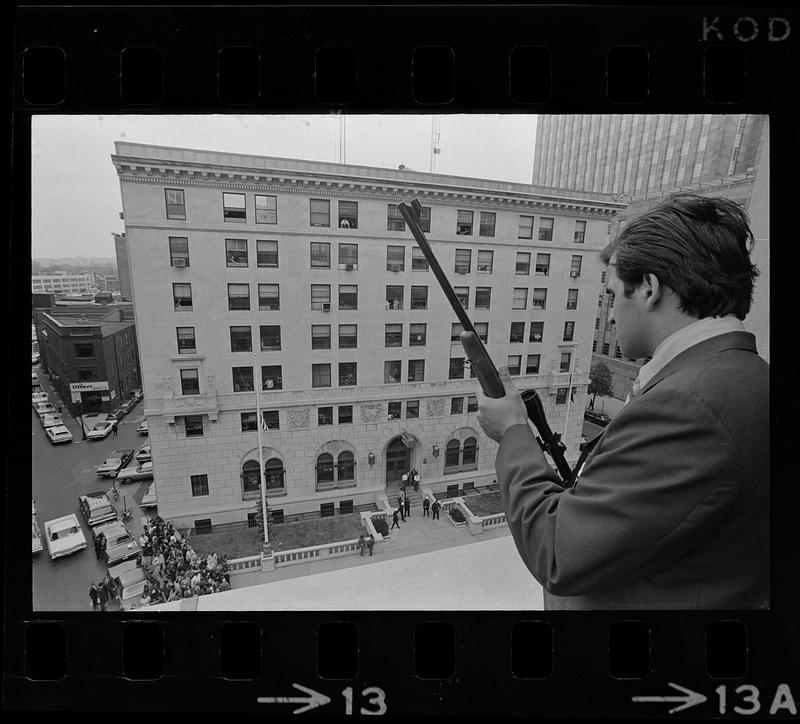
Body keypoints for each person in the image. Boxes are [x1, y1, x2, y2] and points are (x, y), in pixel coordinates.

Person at [477, 193, 768, 611]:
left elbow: (557, 552)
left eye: (613, 295)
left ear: (649, 289)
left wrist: (512, 432)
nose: (610, 316)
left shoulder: (690, 406)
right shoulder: (742, 377)